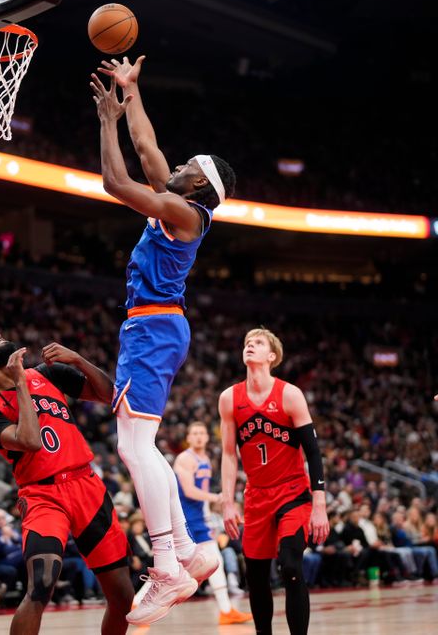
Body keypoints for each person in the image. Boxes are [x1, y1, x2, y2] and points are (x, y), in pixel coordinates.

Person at [92, 57, 236, 625]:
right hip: (153, 326)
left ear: (198, 182)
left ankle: (168, 562)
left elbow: (115, 182)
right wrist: (132, 92)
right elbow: (148, 150)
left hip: (152, 328)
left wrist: (107, 119)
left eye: (184, 165)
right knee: (138, 445)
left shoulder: (185, 211)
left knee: (134, 446)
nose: (171, 165)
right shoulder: (181, 202)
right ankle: (190, 550)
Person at [0, 336, 134, 635]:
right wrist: (19, 383)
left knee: (123, 597)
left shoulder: (46, 373)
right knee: (41, 585)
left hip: (86, 486)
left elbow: (110, 395)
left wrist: (79, 360)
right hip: (43, 495)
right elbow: (30, 441)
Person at [220, 328, 330, 635]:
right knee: (255, 578)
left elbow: (313, 453)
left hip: (293, 493)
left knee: (291, 567)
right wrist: (227, 503)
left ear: (272, 356)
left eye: (257, 343)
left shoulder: (290, 394)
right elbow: (229, 455)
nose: (249, 347)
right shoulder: (229, 398)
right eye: (246, 343)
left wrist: (319, 505)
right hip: (256, 497)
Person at [171, 422, 252, 625]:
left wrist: (208, 517)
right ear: (188, 438)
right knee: (178, 568)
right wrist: (218, 498)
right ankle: (137, 602)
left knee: (209, 563)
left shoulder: (205, 459)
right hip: (185, 518)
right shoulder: (185, 459)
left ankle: (226, 610)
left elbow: (202, 500)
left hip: (199, 519)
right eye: (194, 433)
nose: (198, 437)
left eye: (202, 433)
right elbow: (189, 492)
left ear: (207, 437)